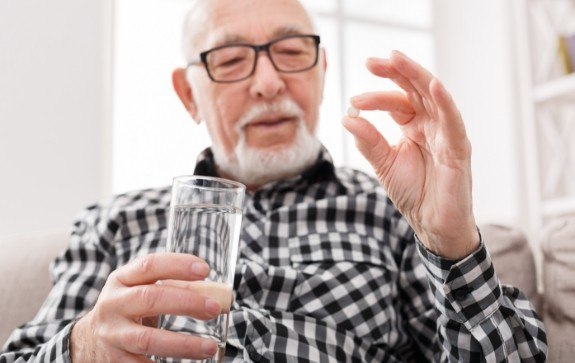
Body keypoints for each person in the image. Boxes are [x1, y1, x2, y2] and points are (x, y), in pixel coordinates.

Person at [1, 0, 547, 362]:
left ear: (321, 69)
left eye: (291, 52)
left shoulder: (391, 210)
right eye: (232, 60)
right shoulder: (114, 222)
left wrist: (451, 243)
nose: (268, 83)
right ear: (189, 94)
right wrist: (89, 343)